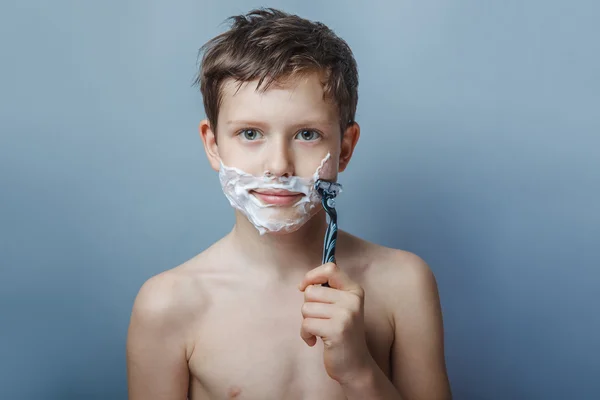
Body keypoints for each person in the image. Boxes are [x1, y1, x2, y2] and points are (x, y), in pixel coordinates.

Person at [127, 7, 452, 400]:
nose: (278, 165)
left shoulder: (404, 284)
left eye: (307, 135)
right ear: (212, 145)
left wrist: (359, 372)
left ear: (345, 148)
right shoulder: (169, 305)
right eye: (250, 133)